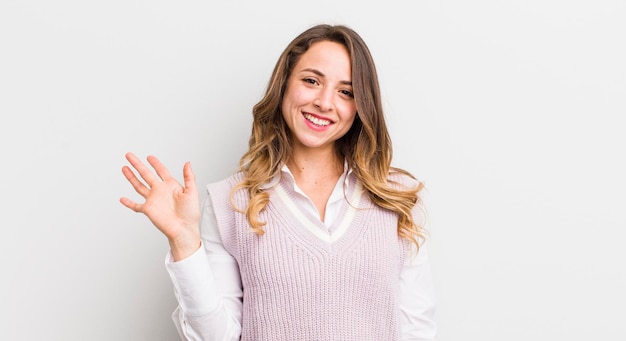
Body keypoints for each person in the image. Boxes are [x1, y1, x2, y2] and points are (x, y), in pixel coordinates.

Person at [121, 24, 436, 341]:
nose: (325, 103)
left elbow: (417, 331)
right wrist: (184, 241)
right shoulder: (231, 203)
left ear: (361, 105)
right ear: (284, 84)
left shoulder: (397, 200)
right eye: (311, 81)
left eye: (346, 92)